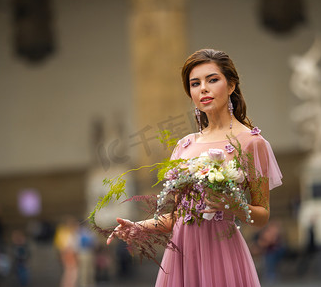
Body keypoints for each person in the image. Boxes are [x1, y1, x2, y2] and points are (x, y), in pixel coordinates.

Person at [107, 49, 282, 286]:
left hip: (222, 254)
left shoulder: (252, 142)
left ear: (231, 85)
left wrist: (230, 205)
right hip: (181, 257)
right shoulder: (185, 145)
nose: (203, 89)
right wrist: (139, 227)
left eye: (212, 80)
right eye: (195, 83)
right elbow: (178, 216)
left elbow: (262, 215)